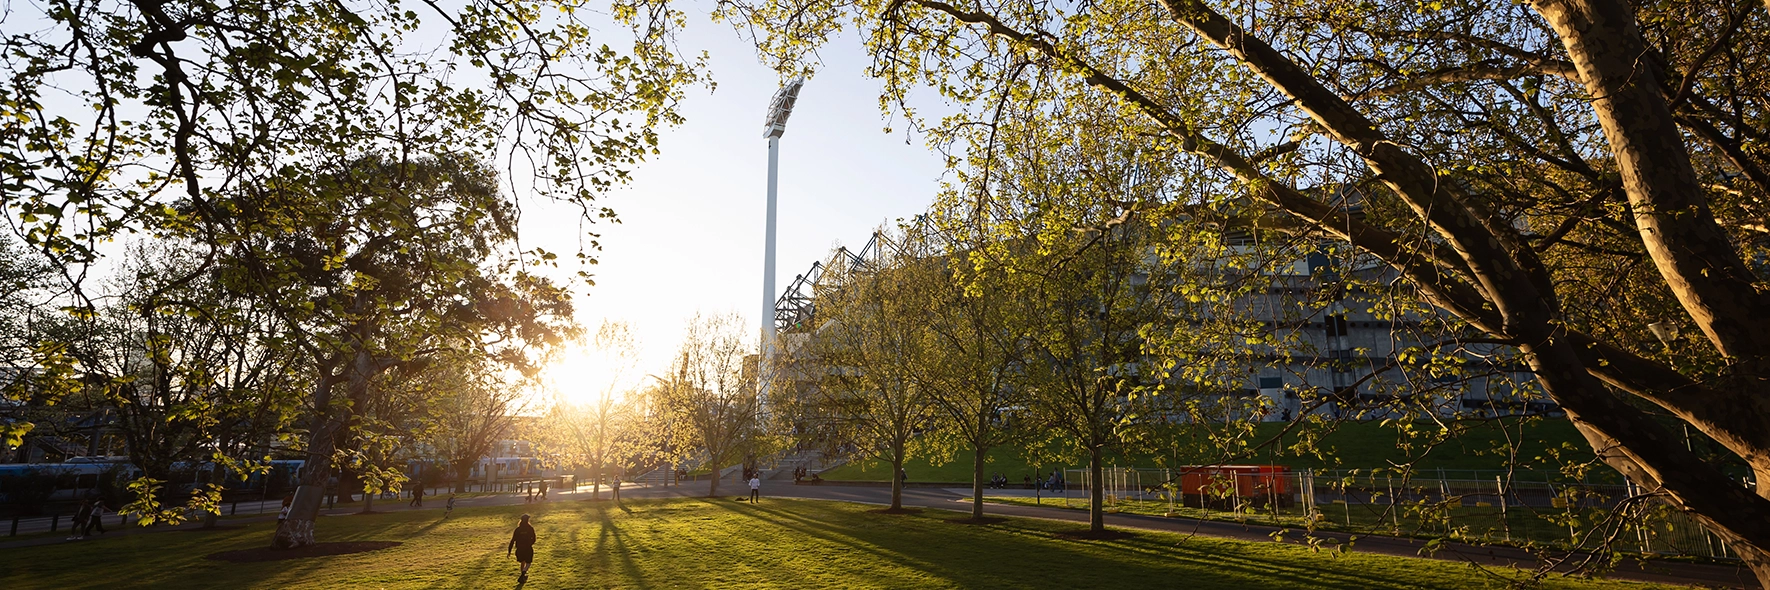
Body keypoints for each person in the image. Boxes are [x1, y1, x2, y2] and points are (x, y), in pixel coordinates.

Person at [507, 513, 537, 583]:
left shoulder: (518, 529)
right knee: (528, 563)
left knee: (522, 561)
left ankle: (522, 576)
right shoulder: (530, 528)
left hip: (519, 549)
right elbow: (534, 538)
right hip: (528, 548)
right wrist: (530, 543)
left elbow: (512, 540)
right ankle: (523, 574)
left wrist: (509, 551)